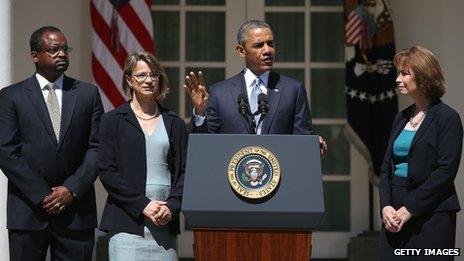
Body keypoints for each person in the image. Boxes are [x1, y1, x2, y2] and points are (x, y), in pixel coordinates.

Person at [0, 26, 103, 260]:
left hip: (76, 213)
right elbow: (6, 152)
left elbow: (96, 148)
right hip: (28, 211)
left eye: (66, 49)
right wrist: (43, 195)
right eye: (54, 49)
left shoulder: (88, 94)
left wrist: (71, 189)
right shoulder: (11, 96)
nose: (62, 54)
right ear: (35, 55)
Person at [184, 19, 327, 154]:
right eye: (259, 45)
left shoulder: (293, 90)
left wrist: (312, 145)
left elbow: (303, 140)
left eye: (270, 43)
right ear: (241, 51)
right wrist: (200, 113)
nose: (267, 50)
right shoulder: (220, 92)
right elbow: (204, 146)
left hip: (281, 176)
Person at [98, 51, 187, 261]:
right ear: (129, 79)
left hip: (164, 222)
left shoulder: (174, 122)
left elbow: (185, 171)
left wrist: (173, 206)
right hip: (126, 222)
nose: (149, 80)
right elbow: (107, 172)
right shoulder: (112, 121)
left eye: (154, 74)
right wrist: (143, 205)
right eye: (142, 75)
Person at [379, 46, 462, 260]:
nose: (398, 79)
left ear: (424, 76)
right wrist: (386, 206)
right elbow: (386, 168)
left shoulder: (447, 118)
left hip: (432, 216)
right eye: (398, 73)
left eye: (404, 73)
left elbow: (445, 172)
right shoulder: (401, 118)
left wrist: (409, 209)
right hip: (394, 217)